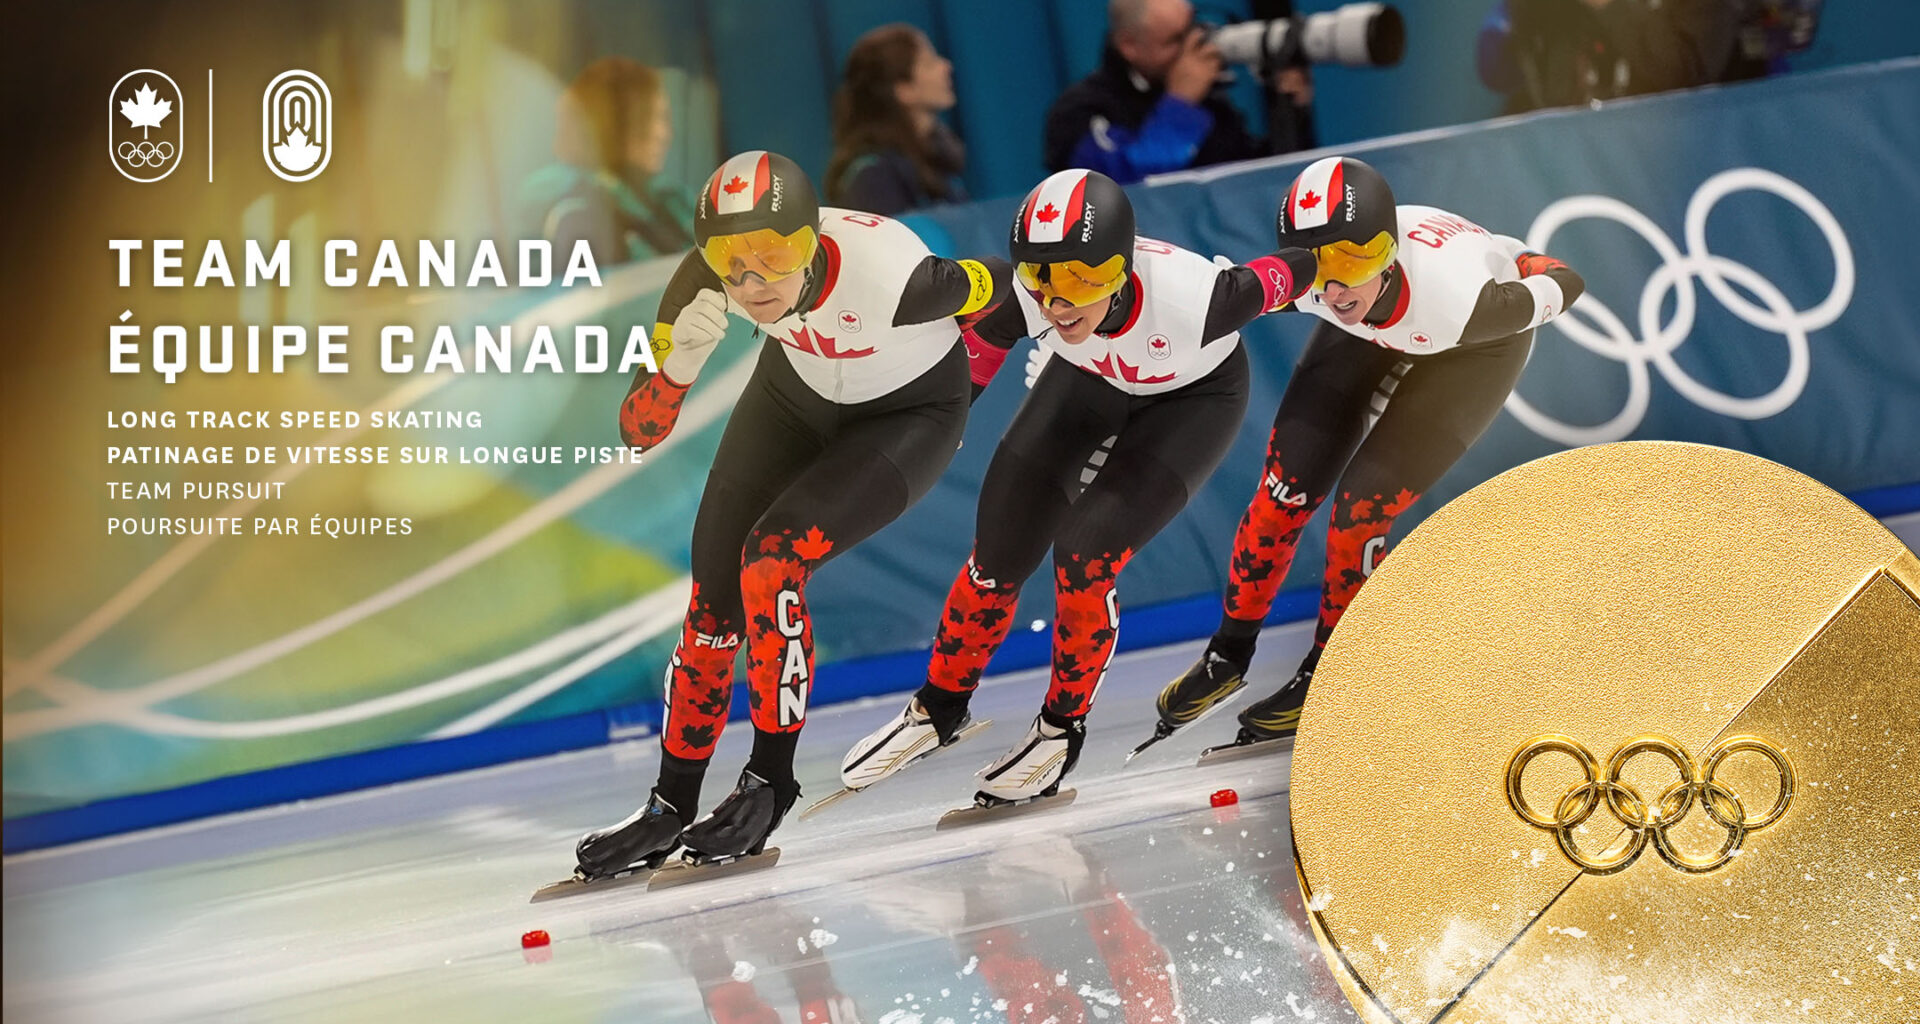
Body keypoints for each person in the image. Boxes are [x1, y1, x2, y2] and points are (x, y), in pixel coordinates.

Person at [573, 151, 1011, 878]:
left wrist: (973, 391)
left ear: (810, 241)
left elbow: (1004, 284)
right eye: (730, 262)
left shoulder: (898, 279)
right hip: (795, 397)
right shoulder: (702, 286)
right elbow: (637, 430)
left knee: (772, 563)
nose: (751, 283)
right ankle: (669, 805)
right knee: (712, 606)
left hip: (908, 415)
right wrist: (676, 366)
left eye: (773, 258)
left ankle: (770, 782)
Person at [837, 169, 1316, 806]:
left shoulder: (1200, 297)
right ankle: (940, 706)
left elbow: (1293, 270)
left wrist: (1340, 265)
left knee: (1085, 556)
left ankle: (1061, 729)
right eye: (1041, 279)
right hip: (1087, 383)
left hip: (1194, 399)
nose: (1058, 301)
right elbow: (977, 354)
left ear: (1120, 270)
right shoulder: (1029, 294)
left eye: (1080, 281)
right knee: (997, 553)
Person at [1151, 156, 1587, 753]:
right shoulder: (1315, 289)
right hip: (1365, 332)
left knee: (1361, 508)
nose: (1335, 287)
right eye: (1317, 267)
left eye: (1355, 261)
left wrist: (1529, 262)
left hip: (1470, 348)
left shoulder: (1461, 301)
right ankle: (1227, 655)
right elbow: (1198, 294)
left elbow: (1566, 282)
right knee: (1284, 491)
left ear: (1387, 252)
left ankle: (1334, 677)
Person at [1043, 0, 1315, 185]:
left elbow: (1249, 181)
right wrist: (1181, 104)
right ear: (1129, 46)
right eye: (1175, 40)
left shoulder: (1208, 101)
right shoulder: (1080, 111)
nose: (1192, 47)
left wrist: (1291, 112)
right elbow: (1125, 186)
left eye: (1192, 27)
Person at [521, 57, 696, 267]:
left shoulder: (672, 200)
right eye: (653, 117)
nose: (664, 135)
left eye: (664, 119)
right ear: (613, 124)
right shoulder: (575, 209)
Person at [1477, 0, 1771, 114]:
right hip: (1570, 154)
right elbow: (1495, 71)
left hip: (1677, 153)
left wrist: (1609, 6)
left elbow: (1686, 75)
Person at [825, 23, 970, 216]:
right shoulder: (872, 179)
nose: (945, 67)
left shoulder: (938, 164)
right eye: (929, 63)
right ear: (903, 89)